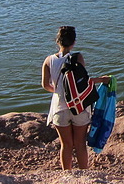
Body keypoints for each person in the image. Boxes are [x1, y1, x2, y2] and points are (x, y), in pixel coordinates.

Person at [41, 25, 110, 170]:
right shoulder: (77, 57)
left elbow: (45, 85)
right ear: (74, 42)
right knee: (80, 144)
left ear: (57, 41)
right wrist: (102, 80)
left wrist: (59, 91)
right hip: (78, 107)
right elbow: (83, 82)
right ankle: (84, 173)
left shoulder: (48, 60)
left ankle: (68, 175)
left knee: (65, 145)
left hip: (59, 108)